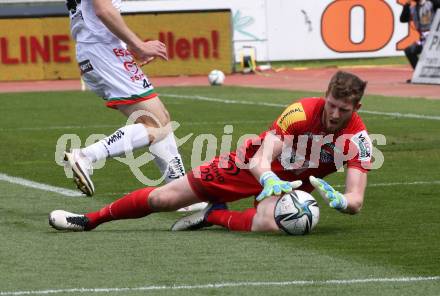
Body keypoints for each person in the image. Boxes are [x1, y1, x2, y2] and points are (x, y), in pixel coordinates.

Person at [49, 71, 372, 234]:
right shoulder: (300, 112)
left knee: (273, 224)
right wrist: (268, 178)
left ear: (356, 107)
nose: (333, 114)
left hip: (290, 187)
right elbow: (261, 157)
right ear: (324, 96)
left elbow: (356, 200)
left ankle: (212, 214)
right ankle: (90, 220)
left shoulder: (358, 140)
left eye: (342, 109)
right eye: (330, 104)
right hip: (250, 166)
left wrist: (343, 202)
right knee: (163, 200)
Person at [63, 0, 206, 210]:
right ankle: (85, 156)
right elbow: (103, 10)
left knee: (159, 120)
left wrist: (127, 45)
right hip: (102, 51)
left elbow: (94, 14)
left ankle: (179, 194)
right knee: (157, 124)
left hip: (97, 49)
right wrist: (139, 44)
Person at [400, 0, 440, 81]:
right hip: (424, 38)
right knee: (409, 50)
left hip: (435, 37)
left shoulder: (430, 3)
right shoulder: (413, 8)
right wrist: (406, 6)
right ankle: (419, 75)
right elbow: (403, 19)